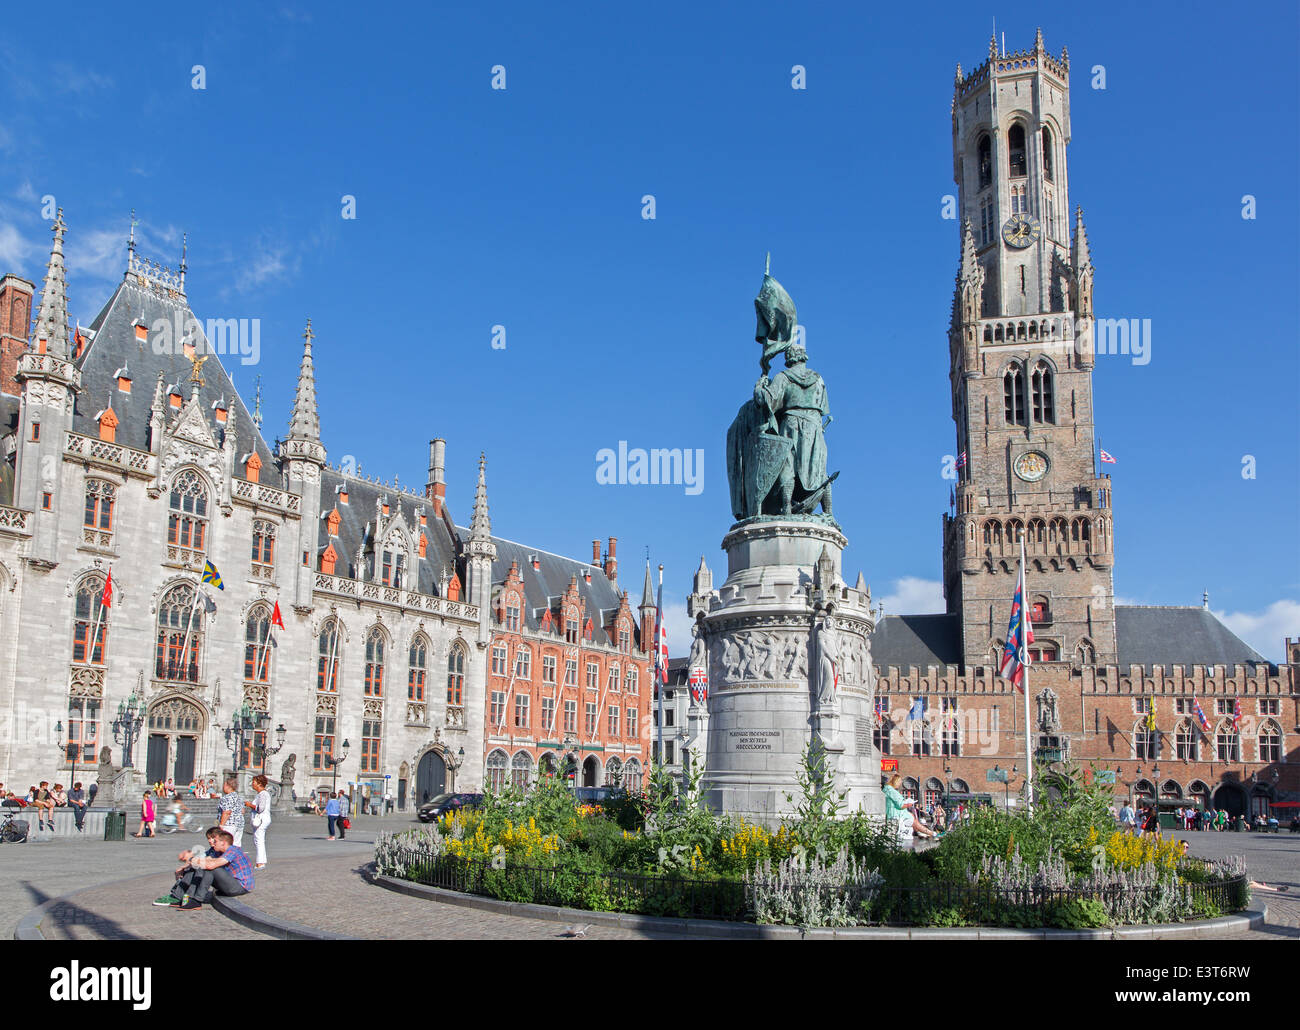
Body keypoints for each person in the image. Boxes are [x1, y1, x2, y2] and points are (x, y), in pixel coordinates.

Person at [153, 827, 254, 911]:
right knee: (199, 865)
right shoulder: (217, 851)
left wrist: (191, 859)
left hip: (240, 887)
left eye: (215, 841)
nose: (213, 843)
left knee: (211, 868)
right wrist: (184, 867)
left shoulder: (233, 850)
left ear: (223, 843)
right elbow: (203, 860)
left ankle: (196, 901)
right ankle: (179, 896)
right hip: (228, 885)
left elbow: (210, 865)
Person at [245, 774, 272, 868]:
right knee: (259, 840)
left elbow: (260, 808)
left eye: (254, 782)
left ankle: (260, 862)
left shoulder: (263, 794)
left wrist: (249, 805)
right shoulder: (262, 794)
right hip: (263, 819)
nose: (252, 784)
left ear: (259, 783)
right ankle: (261, 861)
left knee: (259, 840)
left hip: (261, 819)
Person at [217, 776, 245, 848]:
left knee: (226, 845)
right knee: (236, 845)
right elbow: (243, 811)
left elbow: (227, 812)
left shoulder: (226, 797)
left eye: (224, 785)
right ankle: (237, 859)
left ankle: (227, 859)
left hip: (229, 824)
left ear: (228, 786)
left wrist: (221, 825)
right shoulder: (239, 797)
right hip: (239, 823)